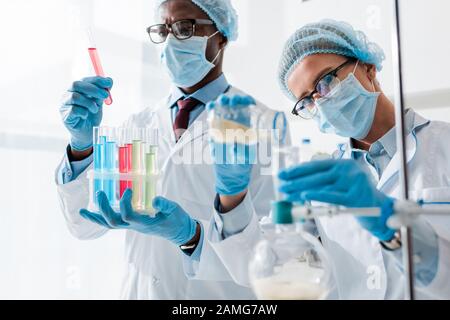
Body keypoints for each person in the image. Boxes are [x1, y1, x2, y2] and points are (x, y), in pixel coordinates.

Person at [56, 0, 286, 299]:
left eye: (183, 27)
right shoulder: (136, 124)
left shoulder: (263, 123)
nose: (169, 40)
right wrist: (81, 147)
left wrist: (192, 236)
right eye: (162, 30)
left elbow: (274, 251)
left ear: (221, 36)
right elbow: (84, 224)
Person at [205, 20, 450, 299]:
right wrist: (232, 194)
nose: (319, 103)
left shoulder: (444, 145)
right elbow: (262, 265)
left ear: (368, 68)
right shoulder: (323, 182)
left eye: (325, 82)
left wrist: (394, 226)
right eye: (306, 101)